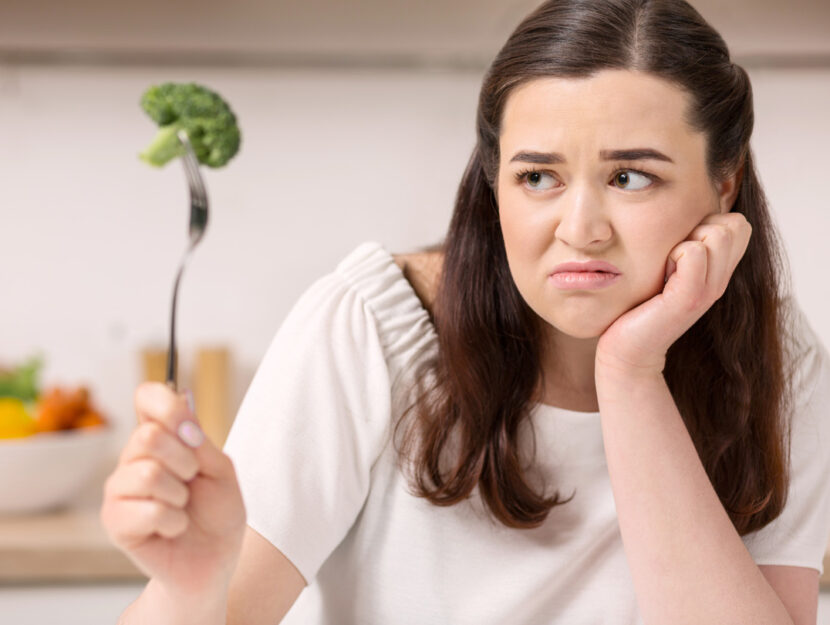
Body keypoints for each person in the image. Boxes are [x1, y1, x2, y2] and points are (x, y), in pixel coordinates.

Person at [101, 0, 830, 623]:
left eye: (630, 176)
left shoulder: (776, 357)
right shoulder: (372, 329)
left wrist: (632, 371)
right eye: (538, 176)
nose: (581, 227)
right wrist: (186, 587)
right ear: (495, 183)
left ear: (724, 183)